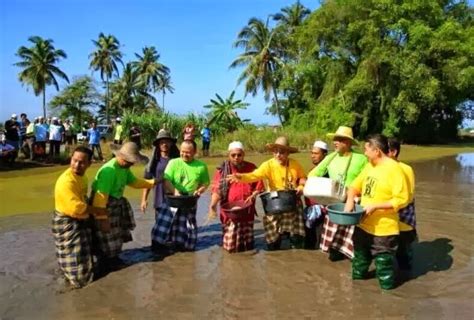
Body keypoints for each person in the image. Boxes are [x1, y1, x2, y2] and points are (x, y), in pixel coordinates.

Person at [344, 134, 409, 290]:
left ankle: (388, 300)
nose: (364, 153)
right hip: (363, 224)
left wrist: (375, 206)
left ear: (377, 151)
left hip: (383, 229)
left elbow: (402, 199)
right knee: (359, 260)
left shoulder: (395, 169)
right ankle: (356, 292)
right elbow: (354, 186)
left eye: (366, 149)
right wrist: (350, 200)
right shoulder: (369, 166)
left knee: (384, 266)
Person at [227, 136, 307, 250]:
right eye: (276, 152)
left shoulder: (295, 164)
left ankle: (294, 245)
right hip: (275, 202)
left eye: (282, 152)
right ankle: (274, 246)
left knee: (296, 236)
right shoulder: (268, 165)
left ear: (288, 153)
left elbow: (303, 178)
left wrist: (300, 186)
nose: (278, 155)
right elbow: (254, 175)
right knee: (273, 238)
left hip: (291, 201)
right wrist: (241, 177)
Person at [91, 142, 157, 269]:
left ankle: (113, 259)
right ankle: (105, 262)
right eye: (130, 161)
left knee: (116, 234)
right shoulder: (109, 171)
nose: (131, 164)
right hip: (103, 206)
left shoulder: (124, 168)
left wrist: (153, 182)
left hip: (115, 203)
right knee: (105, 235)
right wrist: (102, 219)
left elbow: (134, 182)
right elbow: (100, 199)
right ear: (120, 156)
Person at [308, 126, 368, 260]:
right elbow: (313, 174)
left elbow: (367, 179)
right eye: (334, 139)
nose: (334, 142)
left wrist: (357, 195)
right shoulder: (331, 158)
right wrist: (331, 156)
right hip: (335, 202)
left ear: (347, 142)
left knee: (353, 243)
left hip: (352, 202)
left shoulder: (361, 159)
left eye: (338, 140)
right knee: (333, 249)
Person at [52, 146, 108, 288]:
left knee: (81, 252)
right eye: (74, 160)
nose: (77, 165)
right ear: (71, 159)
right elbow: (76, 208)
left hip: (79, 217)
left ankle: (76, 277)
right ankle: (76, 282)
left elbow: (82, 200)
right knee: (72, 255)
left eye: (82, 162)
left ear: (89, 164)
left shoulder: (82, 177)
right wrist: (99, 211)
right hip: (67, 219)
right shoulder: (67, 181)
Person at [153, 140, 210, 252]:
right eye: (182, 152)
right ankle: (159, 247)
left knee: (188, 228)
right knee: (164, 227)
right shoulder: (173, 162)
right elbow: (166, 179)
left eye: (188, 152)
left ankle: (185, 249)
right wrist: (175, 191)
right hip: (173, 199)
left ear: (195, 152)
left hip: (189, 200)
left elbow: (205, 183)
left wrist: (199, 191)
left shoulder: (201, 166)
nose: (184, 154)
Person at [208, 141, 264, 253]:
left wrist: (254, 194)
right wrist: (212, 206)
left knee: (247, 245)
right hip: (229, 213)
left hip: (247, 211)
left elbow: (259, 185)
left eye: (239, 155)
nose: (236, 158)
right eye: (233, 155)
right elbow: (217, 190)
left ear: (244, 154)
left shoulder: (251, 167)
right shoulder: (222, 170)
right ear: (228, 155)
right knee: (230, 247)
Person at [140, 130, 180, 250]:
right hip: (159, 198)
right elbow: (147, 182)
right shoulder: (153, 162)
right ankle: (159, 249)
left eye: (167, 142)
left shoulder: (177, 160)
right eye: (162, 142)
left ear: (171, 143)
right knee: (160, 226)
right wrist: (144, 200)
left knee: (174, 226)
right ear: (158, 145)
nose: (164, 144)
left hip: (174, 198)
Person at [388, 138, 417, 271]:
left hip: (402, 219)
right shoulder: (377, 168)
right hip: (386, 219)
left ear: (393, 152)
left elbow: (408, 197)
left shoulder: (406, 169)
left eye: (383, 150)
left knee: (403, 255)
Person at [304, 140, 329, 250]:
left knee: (319, 243)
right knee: (311, 243)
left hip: (322, 212)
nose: (312, 156)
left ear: (324, 155)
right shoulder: (313, 170)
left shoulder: (329, 171)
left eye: (316, 153)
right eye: (312, 153)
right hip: (311, 210)